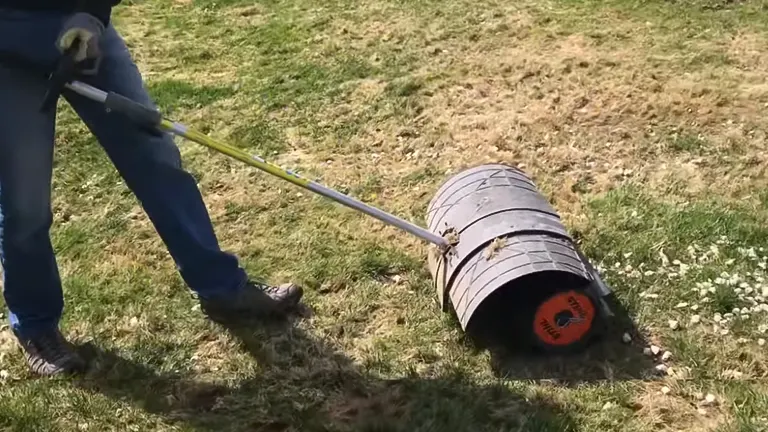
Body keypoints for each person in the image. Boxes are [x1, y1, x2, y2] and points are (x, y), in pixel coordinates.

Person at [0, 1, 304, 376]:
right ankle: (36, 325)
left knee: (155, 155)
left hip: (79, 24)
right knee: (24, 199)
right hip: (6, 45)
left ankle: (221, 287)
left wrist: (92, 14)